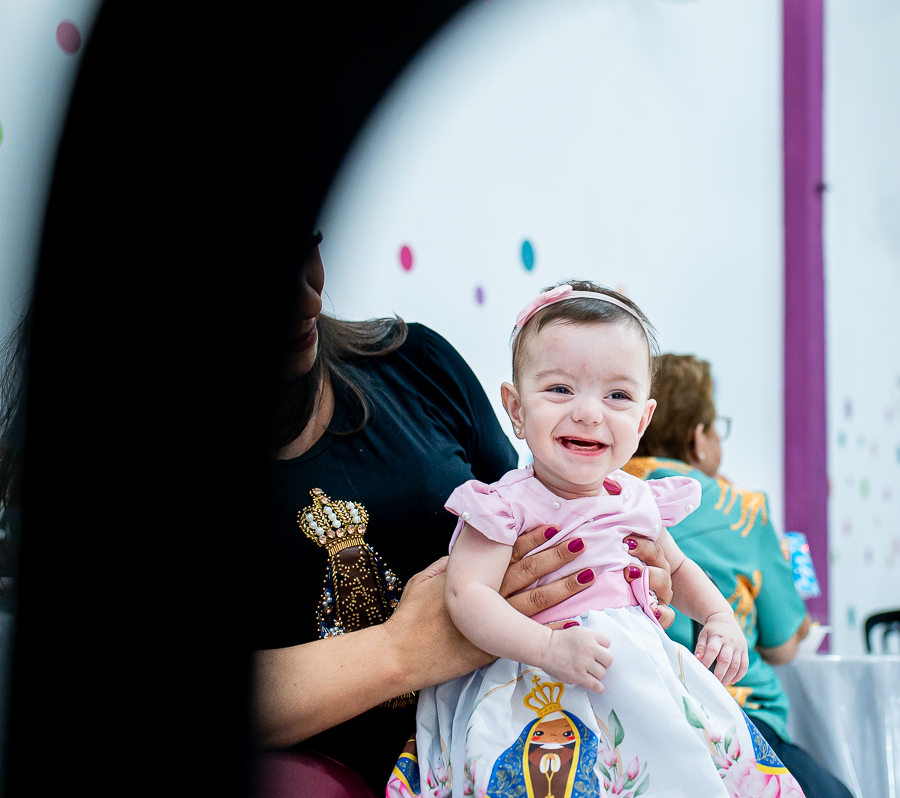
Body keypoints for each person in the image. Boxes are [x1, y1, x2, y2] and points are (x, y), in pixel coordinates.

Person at [248, 242, 678, 793]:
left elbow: (545, 505)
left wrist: (642, 579)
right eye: (560, 389)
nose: (308, 297)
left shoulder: (416, 364)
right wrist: (399, 652)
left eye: (306, 246)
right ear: (516, 407)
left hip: (555, 709)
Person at [399, 282, 806, 798]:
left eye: (617, 395)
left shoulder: (638, 499)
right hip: (534, 680)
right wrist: (546, 646)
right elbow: (466, 595)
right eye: (560, 390)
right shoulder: (504, 505)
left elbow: (676, 569)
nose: (589, 412)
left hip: (635, 681)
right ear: (516, 408)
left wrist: (719, 617)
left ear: (643, 419)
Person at [625, 354, 854, 798]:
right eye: (715, 426)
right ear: (699, 439)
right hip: (739, 717)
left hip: (635, 713)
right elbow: (784, 647)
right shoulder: (743, 511)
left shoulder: (603, 492)